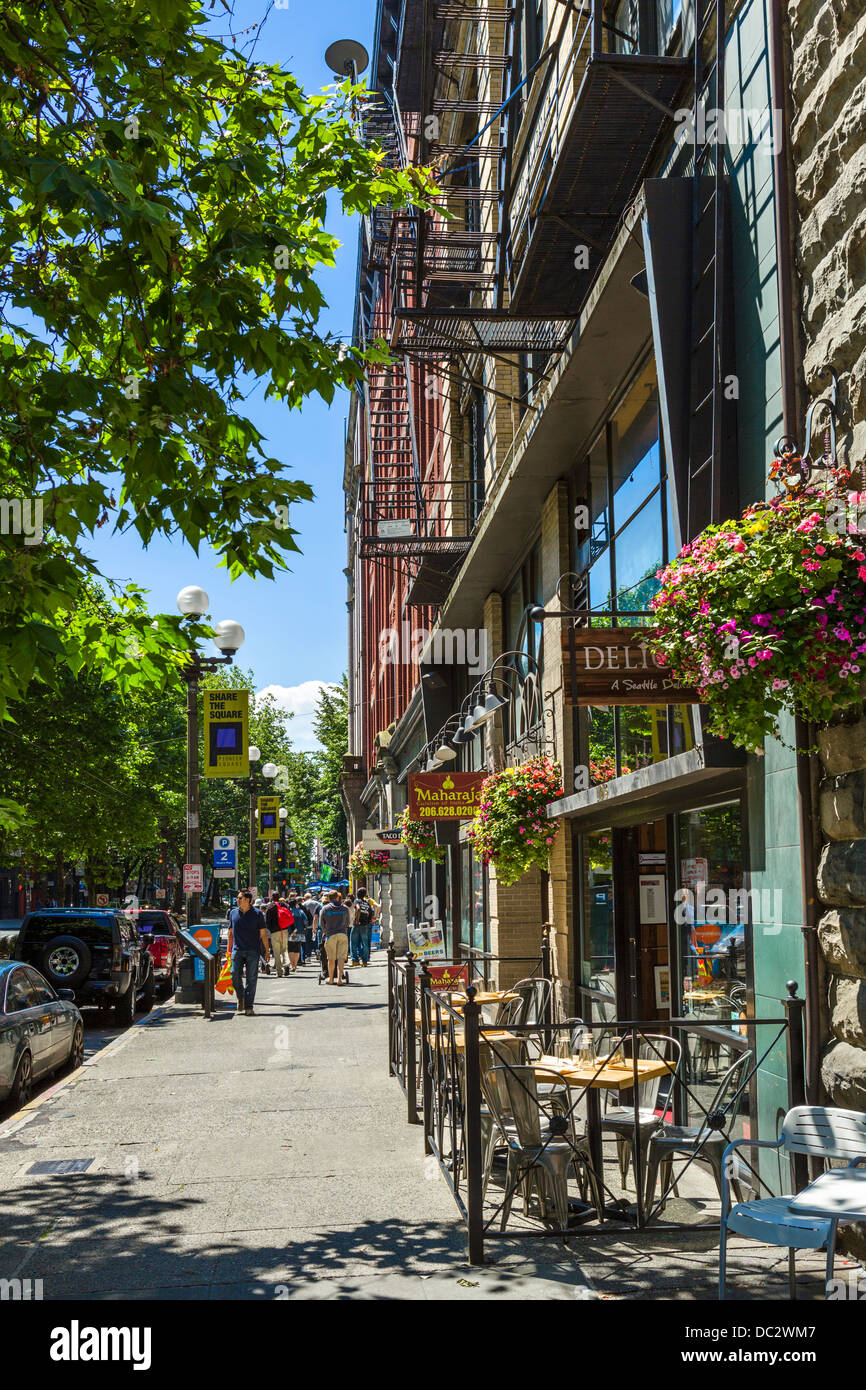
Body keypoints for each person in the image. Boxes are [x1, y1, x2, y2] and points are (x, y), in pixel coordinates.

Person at [226, 888, 270, 1015]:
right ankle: (241, 996)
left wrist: (267, 951)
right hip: (237, 950)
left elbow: (263, 934)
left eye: (240, 898)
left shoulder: (257, 914)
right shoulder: (233, 913)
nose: (237, 900)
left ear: (247, 900)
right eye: (238, 898)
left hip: (253, 950)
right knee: (234, 975)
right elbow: (230, 933)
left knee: (251, 979)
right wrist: (229, 951)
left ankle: (249, 1006)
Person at [319, 889, 351, 986]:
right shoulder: (345, 908)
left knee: (331, 959)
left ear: (328, 898)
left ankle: (331, 979)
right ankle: (340, 979)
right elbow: (348, 922)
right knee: (341, 958)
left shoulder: (325, 908)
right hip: (342, 934)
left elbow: (322, 923)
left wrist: (325, 931)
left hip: (330, 935)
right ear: (337, 897)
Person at [351, 889, 378, 968]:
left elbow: (358, 909)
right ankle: (365, 961)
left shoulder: (357, 901)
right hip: (365, 925)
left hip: (357, 925)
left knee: (353, 942)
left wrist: (357, 921)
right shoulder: (367, 903)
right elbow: (370, 916)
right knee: (365, 943)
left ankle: (355, 960)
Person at [266, 891, 289, 978]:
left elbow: (267, 921)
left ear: (272, 897)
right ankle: (287, 965)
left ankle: (279, 971)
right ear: (279, 897)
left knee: (276, 952)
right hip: (284, 931)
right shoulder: (285, 905)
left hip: (275, 932)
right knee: (284, 950)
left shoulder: (270, 907)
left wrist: (271, 929)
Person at [286, 894, 308, 972]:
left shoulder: (287, 912)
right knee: (297, 949)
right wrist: (305, 927)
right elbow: (305, 921)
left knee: (290, 949)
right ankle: (295, 965)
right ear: (296, 904)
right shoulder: (300, 911)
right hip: (299, 932)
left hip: (290, 933)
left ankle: (292, 965)